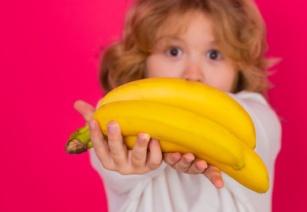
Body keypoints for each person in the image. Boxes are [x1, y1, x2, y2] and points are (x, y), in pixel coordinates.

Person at [74, 0, 281, 211]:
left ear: (239, 67)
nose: (192, 73)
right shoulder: (122, 123)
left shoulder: (258, 116)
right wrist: (122, 154)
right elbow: (112, 157)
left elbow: (253, 133)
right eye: (174, 51)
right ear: (142, 61)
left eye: (214, 55)